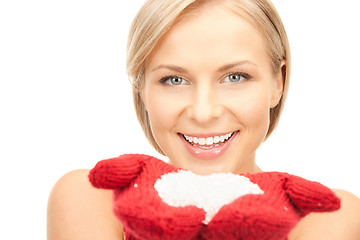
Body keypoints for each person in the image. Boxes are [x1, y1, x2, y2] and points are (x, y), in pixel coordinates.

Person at [47, 0, 360, 239]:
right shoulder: (93, 195)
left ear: (278, 82)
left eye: (235, 77)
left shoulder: (326, 215)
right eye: (174, 80)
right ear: (142, 89)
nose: (203, 112)